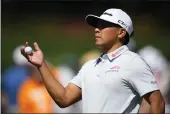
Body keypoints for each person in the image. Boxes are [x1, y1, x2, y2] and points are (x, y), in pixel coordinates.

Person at [20, 8, 165, 113]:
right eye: (96, 25)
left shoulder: (133, 62)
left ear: (121, 32)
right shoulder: (89, 66)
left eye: (104, 25)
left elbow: (157, 103)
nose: (96, 29)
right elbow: (63, 99)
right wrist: (41, 65)